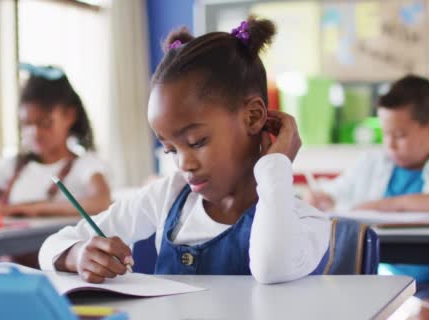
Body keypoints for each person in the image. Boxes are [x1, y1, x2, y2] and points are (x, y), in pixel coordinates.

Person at [39, 16, 330, 285]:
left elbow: (272, 267)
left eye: (197, 142)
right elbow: (52, 246)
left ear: (253, 117)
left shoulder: (305, 222)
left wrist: (276, 164)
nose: (184, 164)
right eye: (170, 151)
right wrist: (76, 255)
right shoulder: (167, 198)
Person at [305, 75, 429, 320]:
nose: (390, 144)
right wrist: (321, 199)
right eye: (385, 134)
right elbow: (332, 194)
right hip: (383, 281)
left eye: (400, 135)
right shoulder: (371, 164)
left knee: (427, 317)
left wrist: (394, 205)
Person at [0, 65, 112, 218]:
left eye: (45, 123)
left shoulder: (86, 166)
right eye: (26, 124)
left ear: (69, 116)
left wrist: (28, 209)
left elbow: (101, 202)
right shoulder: (11, 168)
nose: (35, 133)